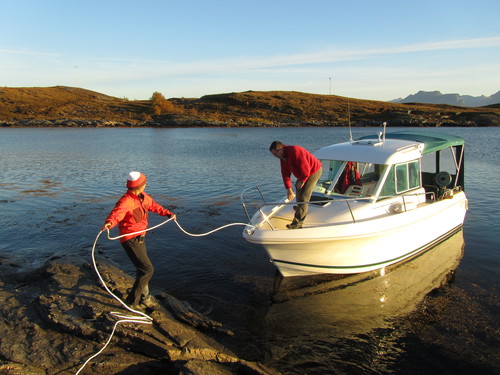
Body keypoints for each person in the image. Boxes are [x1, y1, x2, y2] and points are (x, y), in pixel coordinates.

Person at [102, 171, 176, 310]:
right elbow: (116, 214)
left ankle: (145, 297)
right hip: (130, 239)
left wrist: (168, 214)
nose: (146, 184)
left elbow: (154, 206)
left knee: (142, 269)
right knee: (147, 270)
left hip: (140, 237)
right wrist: (109, 223)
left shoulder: (143, 197)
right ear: (139, 186)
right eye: (144, 183)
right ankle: (132, 303)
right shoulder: (126, 201)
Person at [269, 141, 322, 229]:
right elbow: (285, 174)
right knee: (298, 189)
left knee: (304, 197)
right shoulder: (283, 158)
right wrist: (289, 189)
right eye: (273, 154)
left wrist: (302, 180)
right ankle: (301, 209)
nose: (275, 156)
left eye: (275, 153)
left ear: (281, 149)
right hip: (303, 173)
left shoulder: (295, 151)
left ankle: (297, 224)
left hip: (313, 171)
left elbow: (306, 169)